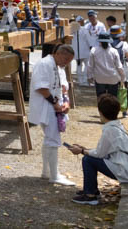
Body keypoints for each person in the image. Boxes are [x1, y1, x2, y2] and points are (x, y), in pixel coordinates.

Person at [66, 94, 128, 204]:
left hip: (126, 172)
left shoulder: (109, 130)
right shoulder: (118, 126)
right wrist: (85, 149)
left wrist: (81, 151)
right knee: (89, 157)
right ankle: (91, 190)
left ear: (101, 112)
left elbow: (100, 154)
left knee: (87, 160)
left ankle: (90, 196)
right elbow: (104, 151)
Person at [30, 44, 76, 185]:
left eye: (69, 61)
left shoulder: (58, 66)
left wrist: (66, 102)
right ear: (59, 54)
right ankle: (54, 175)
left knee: (50, 138)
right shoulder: (44, 64)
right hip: (47, 106)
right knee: (53, 140)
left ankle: (47, 172)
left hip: (54, 107)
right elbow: (41, 87)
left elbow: (63, 88)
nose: (67, 63)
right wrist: (55, 103)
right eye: (66, 59)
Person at [89, 31, 127, 98]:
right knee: (113, 98)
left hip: (99, 78)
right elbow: (119, 67)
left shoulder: (93, 50)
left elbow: (90, 66)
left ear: (99, 41)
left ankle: (102, 108)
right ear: (109, 41)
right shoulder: (114, 51)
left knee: (101, 98)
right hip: (113, 78)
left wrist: (89, 77)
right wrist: (123, 78)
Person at [111, 25, 128, 116]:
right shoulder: (125, 44)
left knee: (113, 91)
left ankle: (113, 111)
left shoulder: (108, 44)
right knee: (124, 90)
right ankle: (124, 111)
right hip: (123, 70)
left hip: (112, 71)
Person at [74, 16, 91, 84]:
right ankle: (84, 80)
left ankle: (80, 81)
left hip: (77, 52)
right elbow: (89, 40)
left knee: (78, 66)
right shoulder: (85, 30)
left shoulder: (73, 31)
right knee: (87, 65)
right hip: (85, 51)